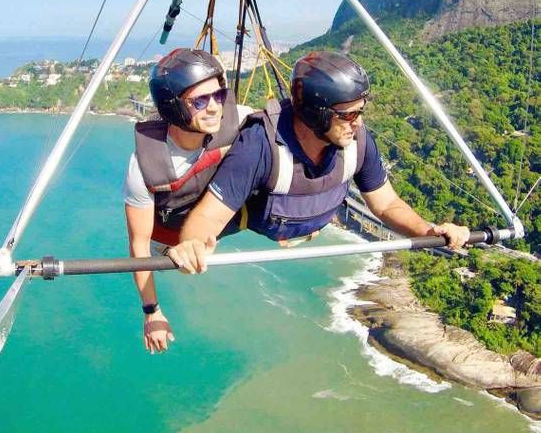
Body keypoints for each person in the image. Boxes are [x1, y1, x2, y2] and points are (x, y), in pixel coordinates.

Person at [166, 50, 470, 274]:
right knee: (174, 234)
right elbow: (208, 217)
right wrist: (192, 243)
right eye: (349, 114)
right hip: (254, 219)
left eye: (360, 112)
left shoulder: (357, 142)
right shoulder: (260, 145)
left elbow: (386, 204)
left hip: (308, 220)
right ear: (316, 114)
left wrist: (428, 231)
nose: (358, 123)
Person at [124, 48, 247, 354]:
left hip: (218, 218)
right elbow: (139, 245)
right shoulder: (144, 165)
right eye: (200, 101)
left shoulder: (239, 120)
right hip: (170, 239)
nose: (214, 108)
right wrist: (152, 312)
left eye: (219, 96)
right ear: (174, 107)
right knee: (185, 264)